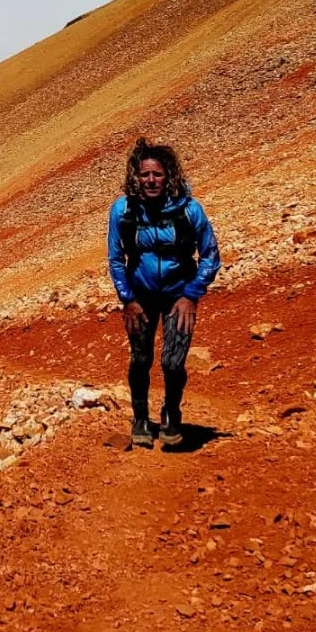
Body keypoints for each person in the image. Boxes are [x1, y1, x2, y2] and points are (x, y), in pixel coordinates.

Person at [106, 138, 220, 448]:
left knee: (173, 362)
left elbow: (210, 255)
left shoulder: (189, 210)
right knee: (140, 359)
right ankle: (140, 417)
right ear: (136, 177)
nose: (151, 180)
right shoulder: (124, 211)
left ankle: (171, 413)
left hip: (178, 295)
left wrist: (191, 294)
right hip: (139, 296)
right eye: (145, 175)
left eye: (157, 174)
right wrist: (127, 298)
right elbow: (115, 258)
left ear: (169, 175)